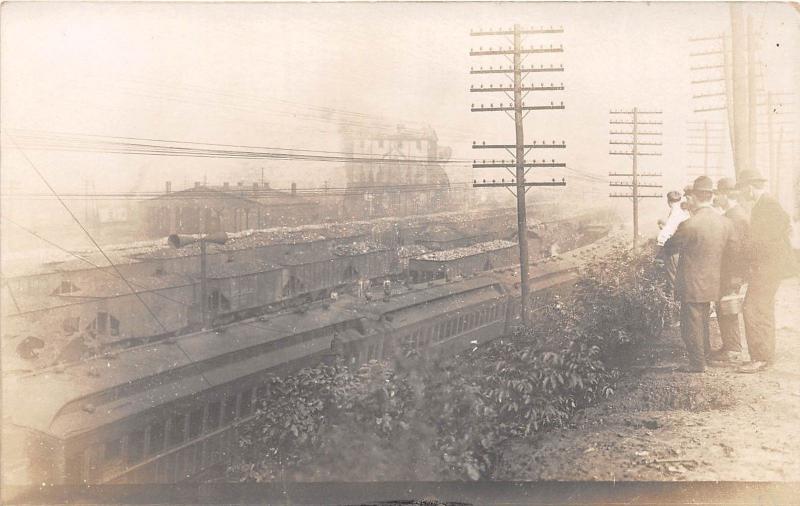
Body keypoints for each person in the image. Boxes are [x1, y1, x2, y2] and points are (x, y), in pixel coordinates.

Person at [663, 176, 735, 373]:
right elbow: (732, 252)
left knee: (691, 323)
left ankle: (697, 364)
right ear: (711, 197)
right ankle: (705, 357)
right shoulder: (725, 222)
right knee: (702, 320)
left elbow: (669, 247)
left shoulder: (690, 224)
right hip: (713, 281)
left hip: (692, 282)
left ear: (695, 197)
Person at [737, 169, 796, 373]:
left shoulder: (767, 205)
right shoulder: (765, 204)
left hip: (767, 267)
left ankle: (760, 358)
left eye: (742, 189)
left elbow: (767, 237)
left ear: (750, 187)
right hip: (770, 266)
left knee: (752, 308)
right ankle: (765, 357)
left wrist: (747, 248)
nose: (742, 193)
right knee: (763, 309)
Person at [709, 177, 750, 364]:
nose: (717, 198)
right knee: (723, 307)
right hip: (726, 271)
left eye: (719, 194)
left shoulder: (735, 217)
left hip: (731, 272)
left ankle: (733, 350)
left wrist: (735, 277)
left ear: (725, 195)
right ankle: (729, 346)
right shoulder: (733, 214)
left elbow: (738, 251)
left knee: (728, 308)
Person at [657, 190, 690, 294]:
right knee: (680, 278)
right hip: (683, 249)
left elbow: (665, 234)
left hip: (673, 249)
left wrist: (660, 247)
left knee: (672, 280)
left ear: (668, 201)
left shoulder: (674, 213)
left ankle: (672, 305)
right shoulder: (682, 213)